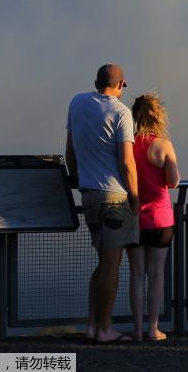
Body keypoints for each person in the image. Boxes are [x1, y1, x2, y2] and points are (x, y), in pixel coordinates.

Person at [65, 64, 139, 343]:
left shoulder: (77, 103)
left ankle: (93, 326)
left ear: (95, 82)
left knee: (102, 263)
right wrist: (135, 198)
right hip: (114, 197)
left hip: (88, 193)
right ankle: (104, 328)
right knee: (111, 264)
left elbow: (70, 149)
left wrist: (75, 177)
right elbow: (126, 162)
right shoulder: (121, 112)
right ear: (121, 85)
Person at [126, 93, 180, 342]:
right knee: (156, 274)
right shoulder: (164, 145)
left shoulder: (129, 145)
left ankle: (136, 330)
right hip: (160, 219)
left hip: (134, 216)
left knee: (136, 274)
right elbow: (173, 181)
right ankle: (152, 329)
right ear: (158, 115)